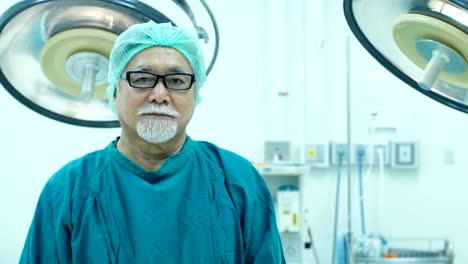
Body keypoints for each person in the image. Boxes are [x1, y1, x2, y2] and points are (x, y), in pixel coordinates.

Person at [20, 21, 285, 263]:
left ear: (196, 94)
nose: (159, 94)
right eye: (143, 79)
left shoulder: (238, 182)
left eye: (176, 80)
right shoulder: (68, 190)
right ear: (114, 91)